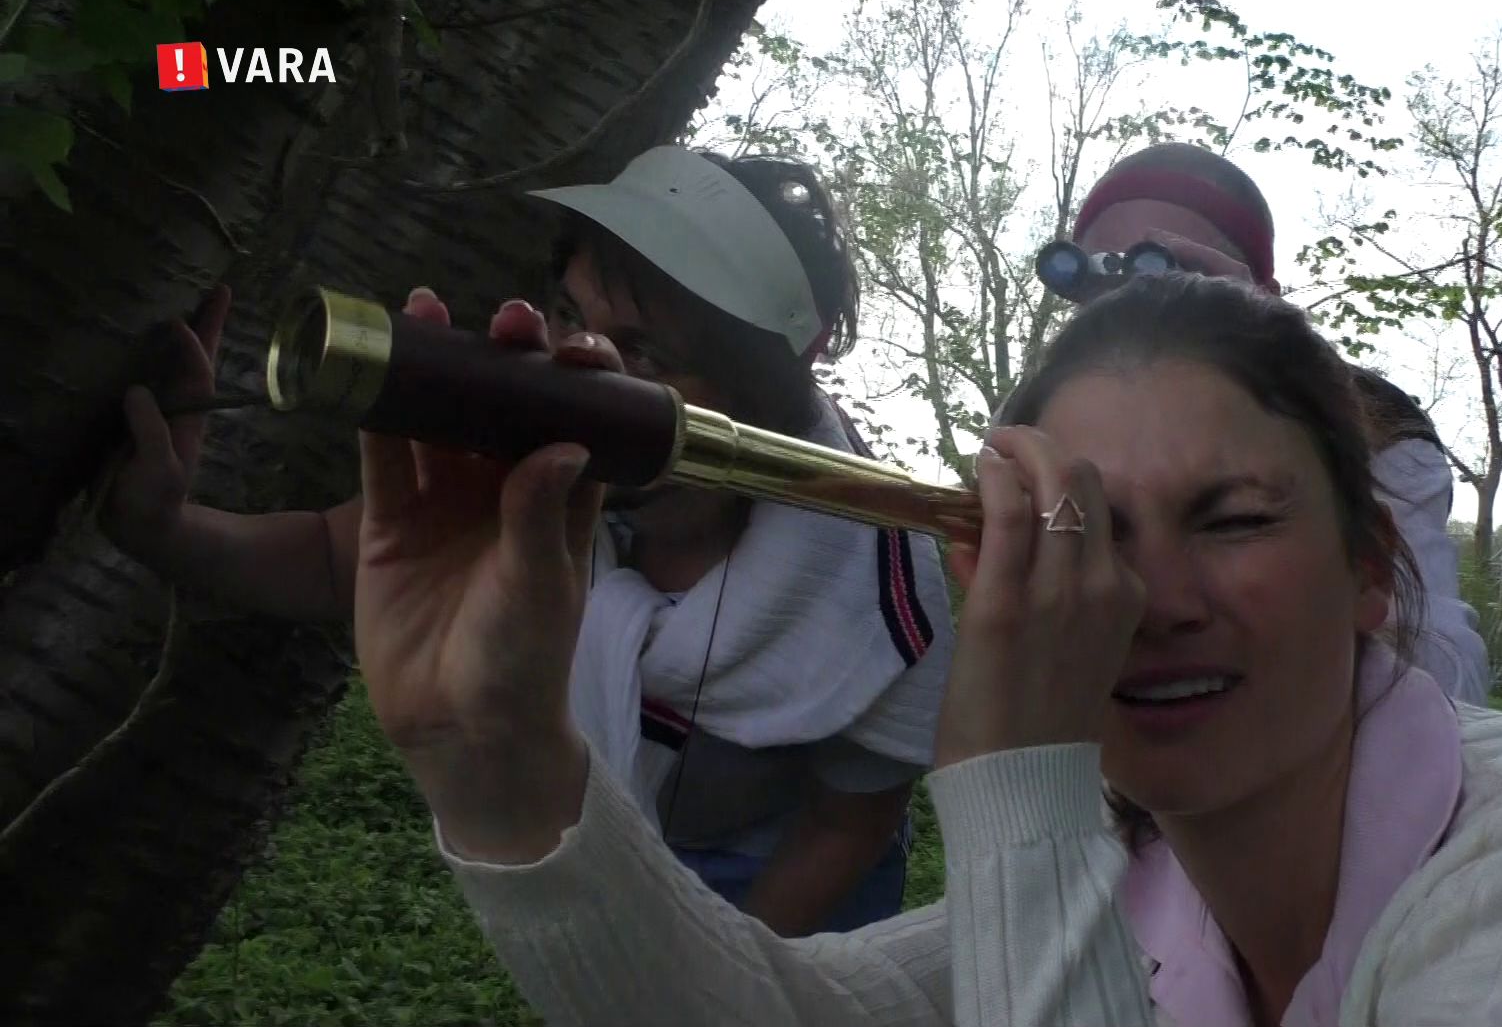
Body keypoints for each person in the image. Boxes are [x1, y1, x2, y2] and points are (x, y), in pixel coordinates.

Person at [352, 272, 1502, 1025]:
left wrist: (1018, 772)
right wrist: (500, 761)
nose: (1145, 596)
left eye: (1231, 519)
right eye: (1083, 532)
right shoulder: (1140, 868)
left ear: (1372, 573)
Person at [98, 145, 952, 936]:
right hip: (608, 865)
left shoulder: (871, 585)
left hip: (791, 892)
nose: (583, 359)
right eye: (568, 312)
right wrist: (165, 528)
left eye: (646, 352)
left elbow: (846, 825)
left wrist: (713, 986)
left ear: (759, 391)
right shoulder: (528, 458)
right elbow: (334, 557)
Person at [1065, 141, 1491, 705]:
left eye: (1176, 279)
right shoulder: (1054, 426)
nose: (1136, 319)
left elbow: (1449, 679)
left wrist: (1277, 378)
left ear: (1263, 298)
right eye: (1099, 289)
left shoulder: (1381, 432)